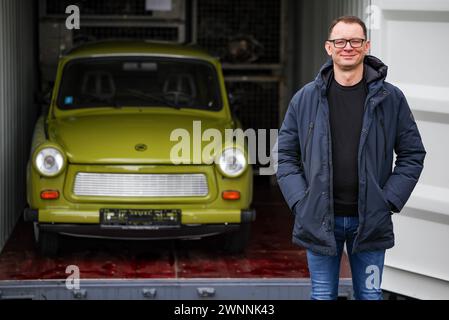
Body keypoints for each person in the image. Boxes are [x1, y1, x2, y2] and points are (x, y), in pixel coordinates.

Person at [276, 16, 426, 300]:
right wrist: (300, 201)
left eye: (355, 41)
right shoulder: (305, 99)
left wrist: (389, 200)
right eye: (340, 41)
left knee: (370, 296)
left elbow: (412, 154)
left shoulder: (390, 99)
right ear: (328, 48)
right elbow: (285, 155)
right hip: (320, 219)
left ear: (366, 46)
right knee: (322, 296)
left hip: (369, 220)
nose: (348, 47)